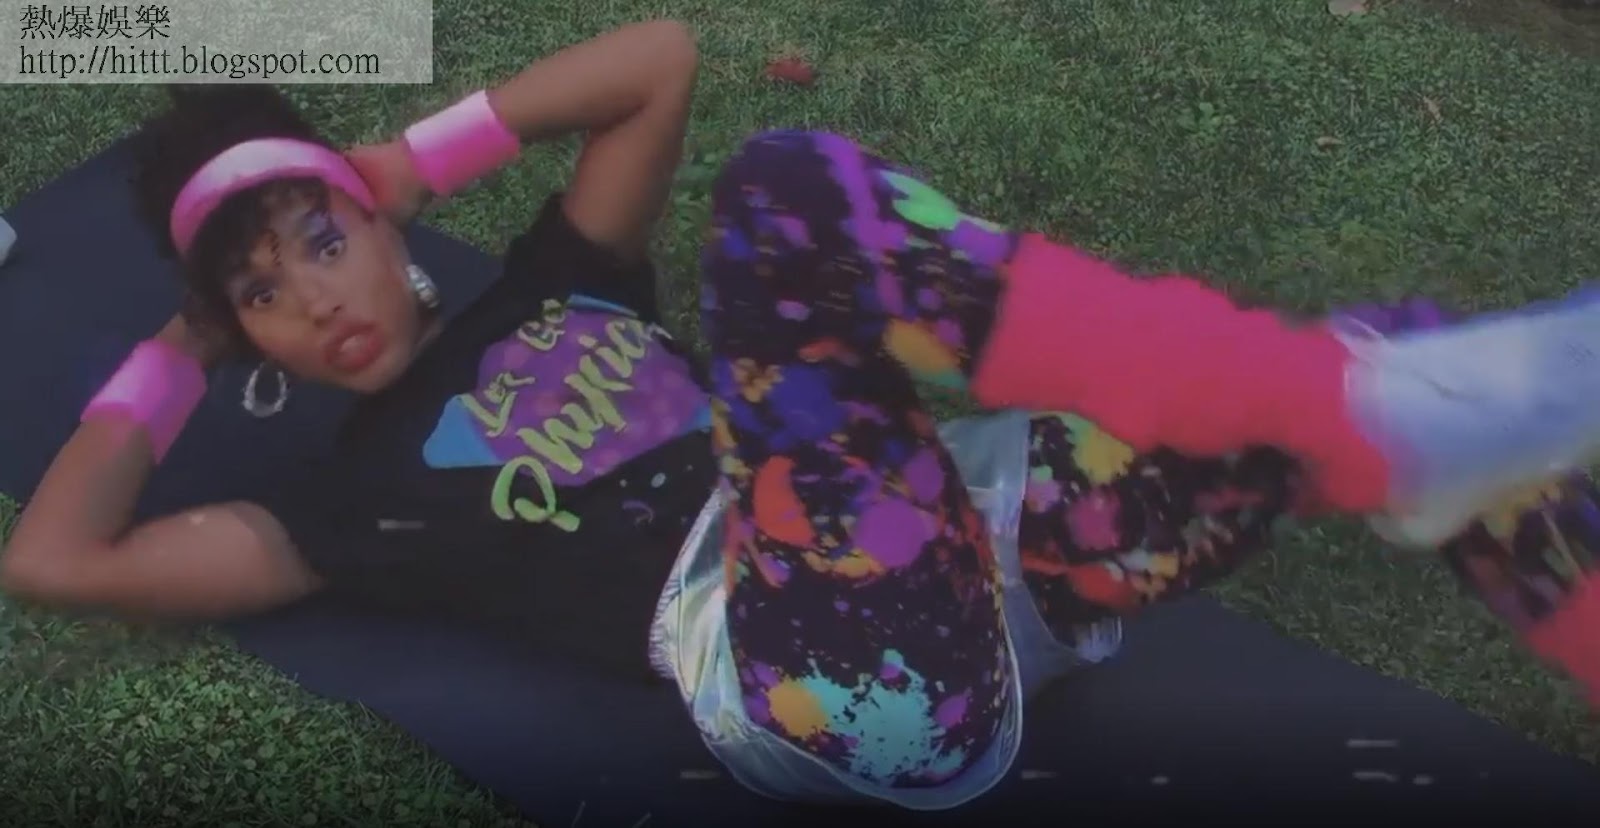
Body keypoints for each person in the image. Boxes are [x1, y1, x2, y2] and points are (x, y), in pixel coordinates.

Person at [1, 19, 1595, 810]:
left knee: (1431, 399)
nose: (315, 296)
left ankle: (1413, 455)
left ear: (374, 219)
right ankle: (1370, 420)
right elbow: (55, 561)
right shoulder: (342, 507)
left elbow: (658, 58)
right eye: (263, 293)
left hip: (990, 558)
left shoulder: (555, 282)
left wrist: (412, 158)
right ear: (244, 333)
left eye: (321, 238)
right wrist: (178, 348)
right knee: (785, 203)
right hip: (823, 672)